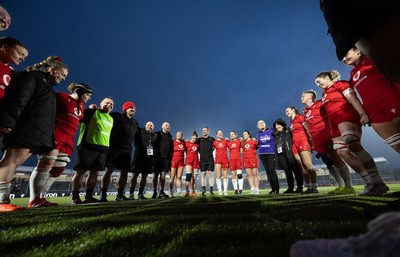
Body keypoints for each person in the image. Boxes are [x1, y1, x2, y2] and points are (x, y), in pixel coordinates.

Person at [0, 57, 68, 212]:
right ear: (52, 69)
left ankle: (5, 200)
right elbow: (19, 99)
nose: (63, 78)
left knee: (14, 163)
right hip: (24, 128)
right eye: (63, 74)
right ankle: (1, 200)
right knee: (10, 161)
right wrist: (9, 120)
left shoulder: (47, 85)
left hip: (34, 132)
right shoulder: (33, 77)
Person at [315, 70, 389, 196]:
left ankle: (378, 182)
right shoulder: (324, 93)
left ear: (327, 77)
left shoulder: (340, 84)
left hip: (346, 117)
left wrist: (362, 114)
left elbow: (352, 98)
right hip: (334, 124)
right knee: (341, 151)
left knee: (352, 143)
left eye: (318, 81)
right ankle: (370, 183)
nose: (318, 84)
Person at [28, 82, 93, 207]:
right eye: (88, 95)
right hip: (56, 133)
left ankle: (42, 197)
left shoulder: (81, 106)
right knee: (46, 163)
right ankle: (34, 199)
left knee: (59, 168)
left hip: (69, 138)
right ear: (80, 92)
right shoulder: (60, 96)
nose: (89, 98)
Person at [319, 0, 400, 83]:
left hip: (371, 18)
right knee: (391, 69)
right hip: (350, 28)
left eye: (346, 54)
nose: (344, 59)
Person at [342, 47, 400, 153]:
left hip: (392, 101)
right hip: (374, 113)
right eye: (342, 58)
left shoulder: (372, 58)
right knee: (397, 147)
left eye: (346, 54)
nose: (344, 59)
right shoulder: (352, 74)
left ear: (358, 51)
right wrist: (363, 114)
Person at [301, 90, 354, 194]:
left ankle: (349, 186)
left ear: (311, 96)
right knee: (330, 162)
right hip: (318, 138)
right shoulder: (306, 111)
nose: (301, 97)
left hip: (327, 134)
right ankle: (341, 185)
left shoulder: (320, 103)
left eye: (303, 95)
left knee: (337, 160)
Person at [71, 97, 114, 204]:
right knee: (81, 172)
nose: (109, 105)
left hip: (103, 149)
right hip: (87, 146)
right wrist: (90, 109)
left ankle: (88, 197)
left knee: (95, 173)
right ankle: (75, 197)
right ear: (100, 103)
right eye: (107, 103)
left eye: (111, 104)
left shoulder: (111, 118)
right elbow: (80, 119)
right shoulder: (92, 112)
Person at [99, 101, 138, 202]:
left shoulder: (135, 122)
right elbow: (104, 116)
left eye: (134, 108)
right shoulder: (116, 116)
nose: (133, 109)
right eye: (130, 107)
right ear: (125, 109)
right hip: (114, 147)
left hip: (127, 150)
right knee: (109, 170)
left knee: (124, 172)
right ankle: (103, 195)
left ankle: (120, 195)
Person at [0, 37, 29, 151]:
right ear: (4, 47)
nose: (22, 59)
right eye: (20, 53)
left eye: (25, 57)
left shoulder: (13, 73)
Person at [286, 106, 319, 194]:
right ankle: (308, 187)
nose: (286, 113)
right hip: (295, 144)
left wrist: (312, 142)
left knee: (307, 164)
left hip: (303, 142)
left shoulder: (300, 117)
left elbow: (308, 129)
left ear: (293, 110)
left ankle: (314, 187)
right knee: (301, 167)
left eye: (287, 111)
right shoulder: (291, 122)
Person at [272, 118, 303, 193]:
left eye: (278, 125)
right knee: (287, 172)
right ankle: (290, 188)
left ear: (282, 125)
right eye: (276, 126)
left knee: (296, 171)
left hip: (290, 153)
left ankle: (299, 187)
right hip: (281, 155)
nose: (277, 127)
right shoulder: (275, 135)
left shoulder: (288, 131)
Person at [130, 121, 156, 200]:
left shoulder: (154, 136)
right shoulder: (139, 131)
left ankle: (140, 194)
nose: (150, 126)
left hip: (148, 158)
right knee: (135, 175)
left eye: (151, 125)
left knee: (144, 176)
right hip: (139, 157)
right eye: (148, 125)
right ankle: (131, 194)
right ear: (145, 125)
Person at [257, 120, 280, 194]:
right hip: (262, 154)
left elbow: (277, 136)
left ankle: (277, 188)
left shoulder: (271, 130)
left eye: (262, 123)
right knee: (267, 171)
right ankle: (273, 189)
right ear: (258, 126)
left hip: (271, 153)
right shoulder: (259, 134)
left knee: (272, 170)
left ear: (265, 124)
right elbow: (258, 144)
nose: (261, 124)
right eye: (259, 124)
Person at [152, 122, 173, 199]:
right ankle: (154, 192)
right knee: (155, 175)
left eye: (169, 125)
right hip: (157, 158)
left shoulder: (170, 136)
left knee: (163, 176)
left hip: (166, 159)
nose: (168, 126)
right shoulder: (156, 134)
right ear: (162, 126)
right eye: (166, 125)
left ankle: (161, 191)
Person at [198, 127, 215, 196]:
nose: (204, 131)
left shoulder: (212, 139)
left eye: (205, 130)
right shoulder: (199, 139)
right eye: (203, 130)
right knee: (203, 175)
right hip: (202, 159)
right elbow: (193, 143)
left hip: (210, 159)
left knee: (211, 174)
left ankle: (211, 191)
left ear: (208, 131)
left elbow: (218, 144)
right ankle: (203, 191)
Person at [169, 131, 186, 197]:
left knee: (179, 177)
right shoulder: (173, 142)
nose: (178, 135)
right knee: (172, 177)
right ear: (176, 136)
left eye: (180, 134)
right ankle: (170, 192)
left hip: (181, 162)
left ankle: (179, 192)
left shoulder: (184, 143)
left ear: (182, 136)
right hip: (174, 161)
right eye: (177, 134)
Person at [213, 130, 229, 196]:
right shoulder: (214, 142)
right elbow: (211, 150)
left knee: (225, 175)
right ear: (216, 135)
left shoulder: (226, 141)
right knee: (218, 175)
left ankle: (225, 191)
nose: (220, 134)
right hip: (218, 159)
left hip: (225, 159)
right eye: (219, 133)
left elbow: (231, 145)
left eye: (221, 133)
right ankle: (220, 191)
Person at [185, 131, 200, 197]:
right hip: (188, 161)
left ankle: (193, 192)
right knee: (188, 176)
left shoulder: (197, 145)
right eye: (193, 138)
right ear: (191, 137)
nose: (194, 139)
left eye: (195, 139)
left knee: (194, 178)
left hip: (196, 162)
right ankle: (187, 192)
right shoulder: (187, 143)